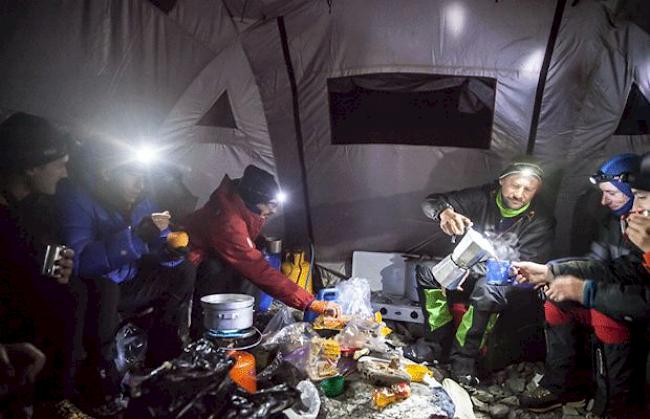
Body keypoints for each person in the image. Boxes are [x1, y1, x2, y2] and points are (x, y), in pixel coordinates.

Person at [58, 139, 196, 413]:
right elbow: (79, 260)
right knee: (104, 285)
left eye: (144, 177)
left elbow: (156, 239)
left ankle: (165, 356)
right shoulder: (77, 197)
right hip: (98, 292)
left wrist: (170, 250)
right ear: (108, 172)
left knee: (184, 269)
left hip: (130, 281)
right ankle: (104, 376)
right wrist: (135, 238)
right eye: (133, 175)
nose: (140, 184)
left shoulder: (139, 199)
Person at [514, 155, 650, 418]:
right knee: (557, 300)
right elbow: (616, 269)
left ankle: (615, 410)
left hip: (638, 317)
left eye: (641, 196)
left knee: (604, 310)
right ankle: (565, 386)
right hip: (630, 302)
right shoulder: (621, 223)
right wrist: (551, 272)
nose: (603, 201)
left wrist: (587, 291)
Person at [414, 159, 555, 385]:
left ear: (536, 191)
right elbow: (431, 202)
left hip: (509, 279)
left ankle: (464, 358)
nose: (519, 194)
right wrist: (445, 213)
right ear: (501, 182)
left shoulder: (541, 219)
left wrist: (469, 271)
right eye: (514, 185)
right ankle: (434, 344)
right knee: (428, 272)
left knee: (486, 289)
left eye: (528, 189)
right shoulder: (484, 197)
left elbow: (525, 265)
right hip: (469, 268)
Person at [185, 165, 340, 337]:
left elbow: (244, 233)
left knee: (246, 274)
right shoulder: (229, 222)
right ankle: (205, 341)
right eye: (271, 205)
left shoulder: (239, 200)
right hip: (194, 260)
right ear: (254, 201)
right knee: (217, 294)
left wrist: (257, 241)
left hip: (215, 253)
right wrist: (309, 302)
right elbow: (257, 269)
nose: (274, 211)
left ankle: (236, 328)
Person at [0, 112, 81, 407]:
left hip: (28, 325)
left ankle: (54, 401)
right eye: (59, 165)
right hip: (12, 336)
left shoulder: (32, 208)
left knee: (69, 293)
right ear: (32, 168)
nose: (65, 174)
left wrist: (55, 268)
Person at [585, 153, 639, 261]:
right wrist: (555, 270)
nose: (603, 202)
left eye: (611, 193)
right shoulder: (611, 222)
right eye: (603, 193)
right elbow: (597, 259)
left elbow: (636, 273)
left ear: (633, 191)